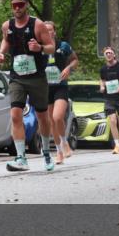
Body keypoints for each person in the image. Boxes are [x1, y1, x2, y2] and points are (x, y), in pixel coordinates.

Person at [0, 0, 56, 172]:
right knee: (15, 114)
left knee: (42, 117)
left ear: (26, 5)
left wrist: (39, 47)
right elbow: (6, 41)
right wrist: (1, 53)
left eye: (20, 4)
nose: (17, 8)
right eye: (14, 5)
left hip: (36, 77)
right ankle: (21, 157)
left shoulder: (37, 25)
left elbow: (51, 47)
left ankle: (46, 151)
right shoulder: (7, 25)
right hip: (17, 77)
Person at [42, 21, 77, 163]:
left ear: (54, 32)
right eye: (45, 30)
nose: (48, 32)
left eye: (50, 30)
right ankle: (58, 152)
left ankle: (64, 142)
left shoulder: (63, 46)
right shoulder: (40, 48)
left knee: (58, 117)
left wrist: (68, 68)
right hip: (46, 87)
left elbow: (75, 60)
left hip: (60, 85)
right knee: (51, 121)